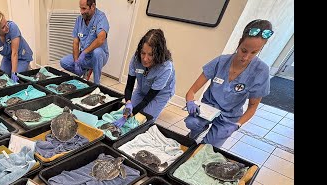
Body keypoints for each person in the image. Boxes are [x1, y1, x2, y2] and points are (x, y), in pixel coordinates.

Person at [184, 19, 273, 147]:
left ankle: (209, 141)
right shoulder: (221, 61)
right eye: (244, 50)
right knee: (192, 122)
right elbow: (191, 91)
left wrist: (237, 125)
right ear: (239, 43)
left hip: (229, 116)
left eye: (254, 53)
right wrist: (190, 102)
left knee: (208, 148)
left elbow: (252, 107)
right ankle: (199, 130)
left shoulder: (261, 71)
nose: (246, 57)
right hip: (208, 108)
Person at [112, 28, 175, 128]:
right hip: (142, 88)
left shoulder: (165, 68)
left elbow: (147, 99)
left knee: (144, 120)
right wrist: (128, 103)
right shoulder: (136, 59)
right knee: (125, 111)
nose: (145, 59)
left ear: (158, 54)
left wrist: (132, 114)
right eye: (143, 53)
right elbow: (129, 86)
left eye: (150, 54)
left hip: (159, 94)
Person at [59, 0, 109, 84]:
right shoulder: (79, 20)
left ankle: (96, 84)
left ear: (92, 6)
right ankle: (83, 72)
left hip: (97, 56)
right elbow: (75, 41)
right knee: (64, 62)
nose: (81, 12)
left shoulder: (101, 18)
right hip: (84, 57)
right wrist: (76, 61)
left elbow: (101, 39)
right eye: (80, 8)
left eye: (84, 8)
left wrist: (84, 52)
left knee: (97, 52)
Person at [0, 10, 33, 84]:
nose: (7, 27)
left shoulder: (13, 27)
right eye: (3, 27)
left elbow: (14, 53)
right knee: (4, 76)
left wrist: (14, 73)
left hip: (22, 57)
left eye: (6, 23)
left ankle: (27, 67)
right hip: (8, 58)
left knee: (18, 76)